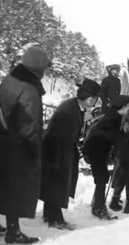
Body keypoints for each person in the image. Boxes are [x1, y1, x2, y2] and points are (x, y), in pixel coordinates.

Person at [0, 45, 51, 244]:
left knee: (0, 183)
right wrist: (35, 149)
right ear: (38, 67)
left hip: (0, 139)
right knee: (16, 187)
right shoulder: (30, 89)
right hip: (17, 145)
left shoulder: (11, 79)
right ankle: (13, 231)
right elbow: (29, 125)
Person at [40, 78, 101, 230]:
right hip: (57, 152)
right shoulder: (69, 111)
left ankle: (49, 214)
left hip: (61, 151)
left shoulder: (75, 107)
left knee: (56, 185)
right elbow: (55, 136)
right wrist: (57, 159)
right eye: (95, 99)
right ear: (90, 99)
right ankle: (55, 218)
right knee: (57, 184)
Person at [82, 94, 129, 219]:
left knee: (102, 177)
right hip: (97, 149)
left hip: (96, 148)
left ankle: (97, 203)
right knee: (102, 178)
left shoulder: (111, 115)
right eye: (128, 106)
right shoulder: (113, 118)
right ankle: (98, 208)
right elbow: (112, 137)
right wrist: (124, 133)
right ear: (122, 107)